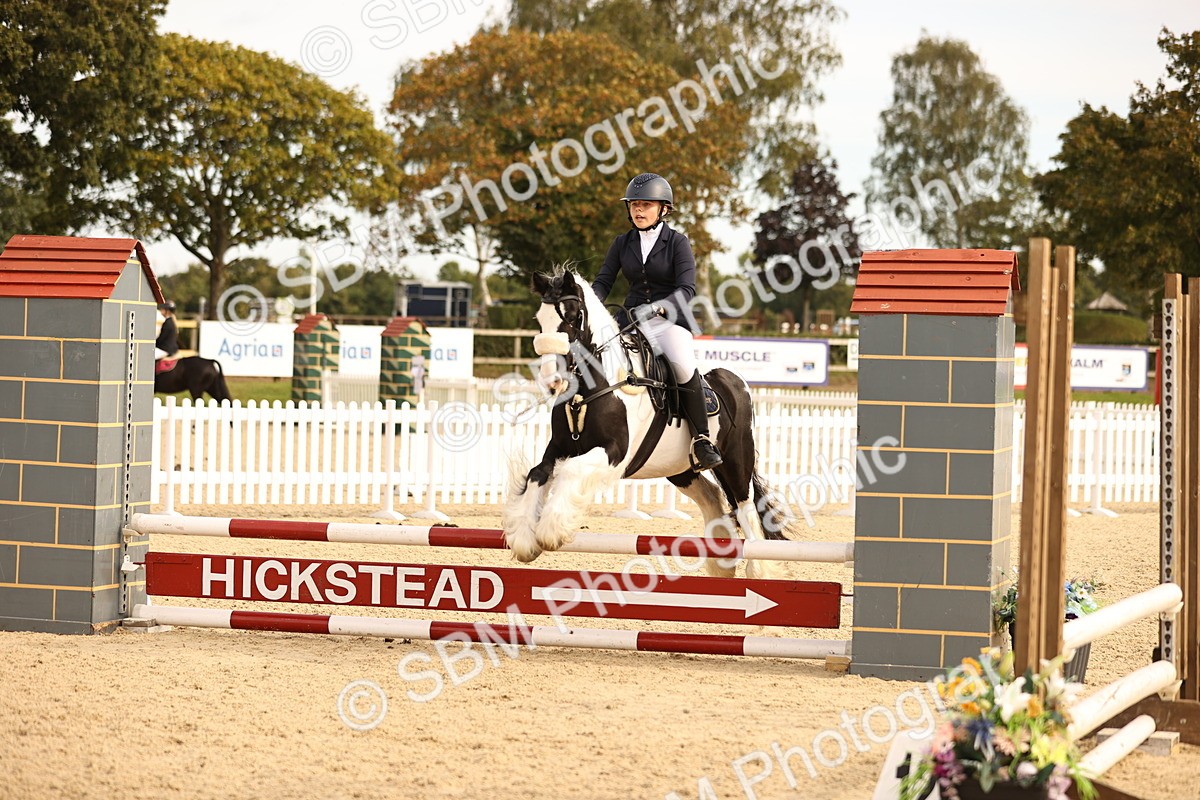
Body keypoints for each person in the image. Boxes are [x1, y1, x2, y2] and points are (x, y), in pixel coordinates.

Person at [592, 172, 722, 471]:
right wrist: (591, 305)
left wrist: (660, 307)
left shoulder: (678, 242)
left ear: (663, 209)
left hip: (668, 320)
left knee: (682, 365)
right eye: (634, 204)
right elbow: (603, 282)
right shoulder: (621, 243)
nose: (638, 210)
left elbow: (687, 289)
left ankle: (702, 440)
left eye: (646, 205)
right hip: (630, 318)